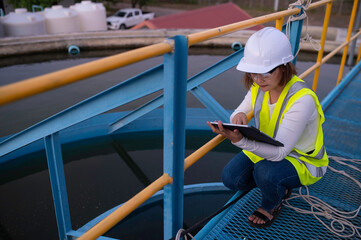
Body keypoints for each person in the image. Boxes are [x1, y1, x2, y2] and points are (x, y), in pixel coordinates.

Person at [207, 27, 328, 228]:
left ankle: (271, 204)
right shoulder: (260, 86)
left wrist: (240, 140)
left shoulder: (301, 99)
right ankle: (281, 185)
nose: (257, 79)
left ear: (284, 66)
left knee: (265, 172)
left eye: (264, 72)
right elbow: (240, 110)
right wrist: (238, 116)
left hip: (302, 160)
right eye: (252, 72)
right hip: (269, 148)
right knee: (231, 178)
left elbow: (280, 153)